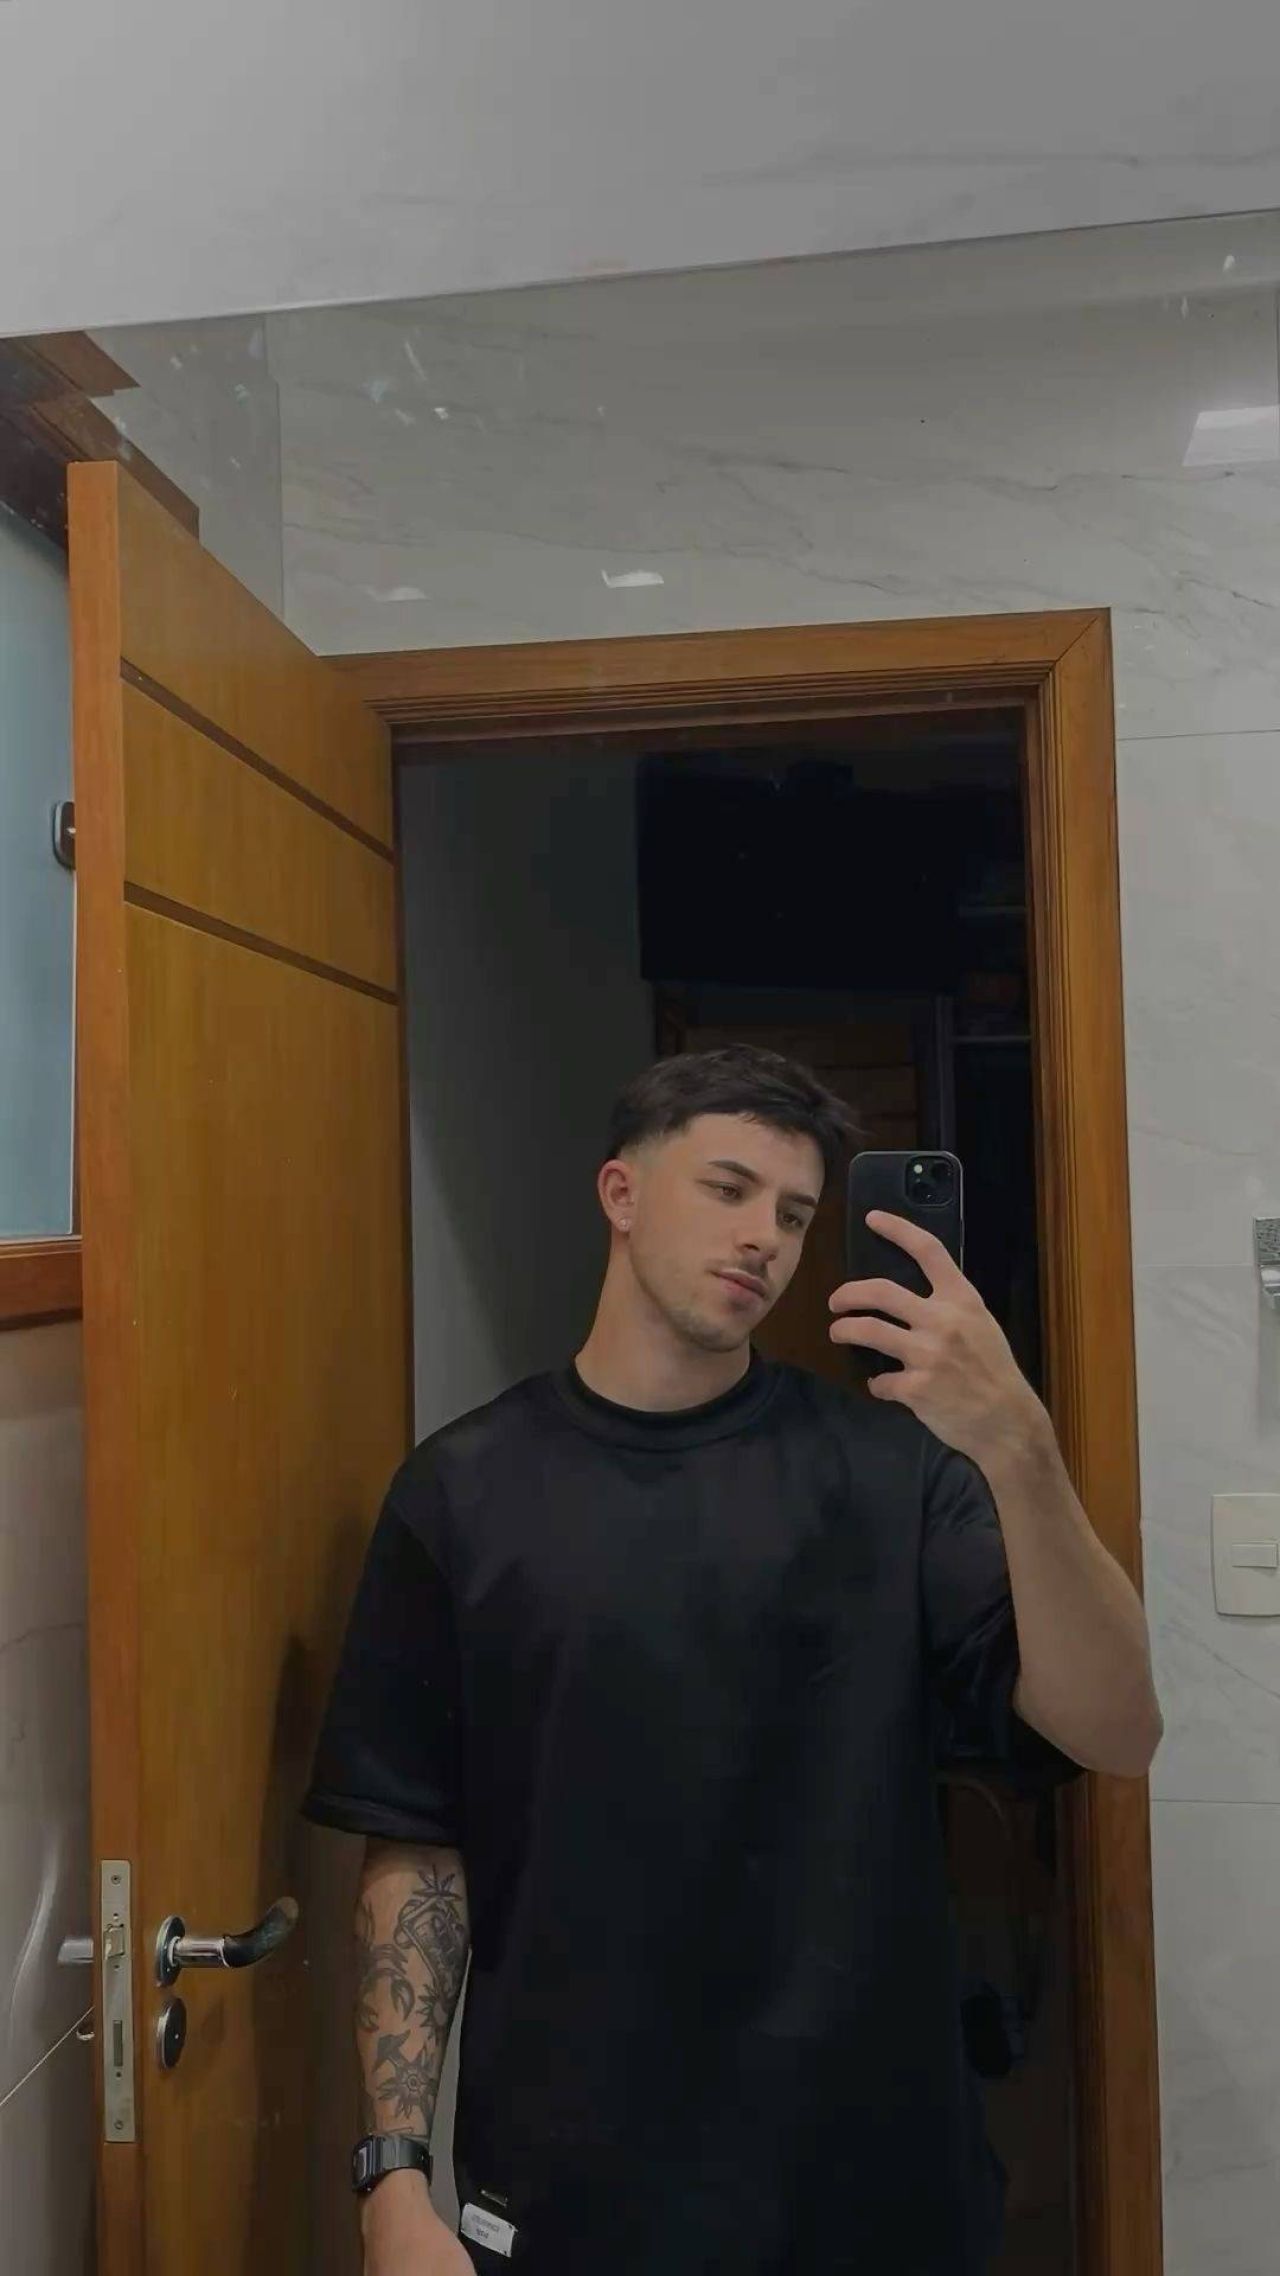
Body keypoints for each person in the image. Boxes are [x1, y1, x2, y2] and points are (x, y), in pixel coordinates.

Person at [304, 1045, 1161, 2276]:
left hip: (868, 2183)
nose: (764, 1234)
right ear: (619, 1191)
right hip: (571, 2180)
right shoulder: (463, 1492)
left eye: (795, 1213)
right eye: (727, 1187)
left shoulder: (892, 1471)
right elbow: (416, 1849)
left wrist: (1018, 1444)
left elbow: (1116, 1727)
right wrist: (391, 2177)